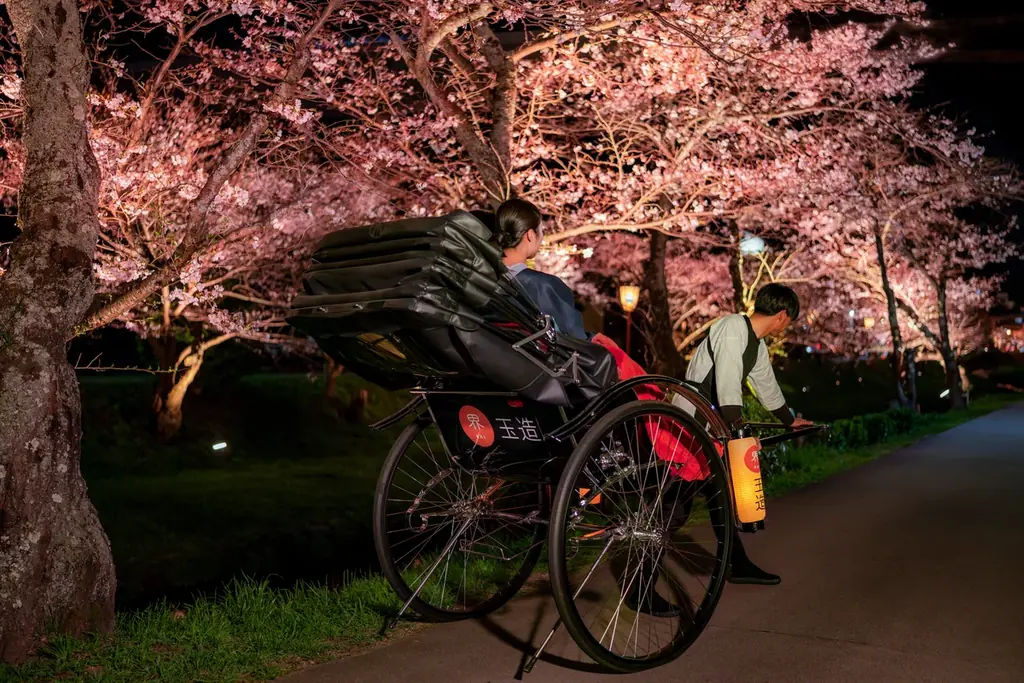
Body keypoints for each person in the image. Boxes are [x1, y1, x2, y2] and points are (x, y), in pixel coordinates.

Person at [683, 283, 813, 586]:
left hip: (713, 425)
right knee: (675, 506)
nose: (785, 327)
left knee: (718, 497)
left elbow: (766, 385)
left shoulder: (756, 345)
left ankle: (737, 563)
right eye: (788, 321)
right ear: (782, 315)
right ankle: (639, 584)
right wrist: (736, 423)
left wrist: (788, 420)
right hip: (693, 421)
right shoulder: (732, 327)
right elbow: (727, 377)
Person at [486, 199, 589, 341]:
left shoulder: (481, 281)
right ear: (530, 235)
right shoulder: (544, 286)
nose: (541, 238)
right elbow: (576, 338)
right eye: (541, 231)